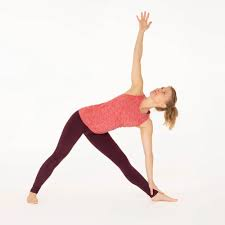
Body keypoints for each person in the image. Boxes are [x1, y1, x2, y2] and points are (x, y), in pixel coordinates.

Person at [27, 11, 178, 204]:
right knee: (59, 154)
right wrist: (141, 31)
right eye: (163, 87)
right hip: (81, 119)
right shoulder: (136, 88)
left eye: (164, 93)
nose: (160, 89)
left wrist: (151, 179)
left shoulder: (146, 124)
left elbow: (149, 154)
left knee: (124, 164)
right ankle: (33, 191)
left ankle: (155, 194)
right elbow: (136, 57)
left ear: (163, 105)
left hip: (98, 132)